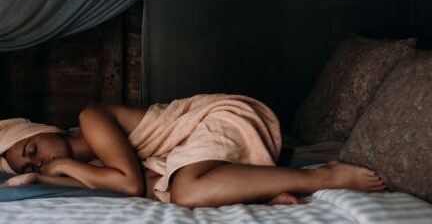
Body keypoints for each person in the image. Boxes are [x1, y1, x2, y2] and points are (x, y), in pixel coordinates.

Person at [0, 94, 386, 207]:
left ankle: (321, 176)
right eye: (32, 163)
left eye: (33, 148)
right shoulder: (98, 164)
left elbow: (129, 185)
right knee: (167, 190)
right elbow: (143, 185)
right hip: (195, 151)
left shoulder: (91, 118)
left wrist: (65, 164)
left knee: (183, 191)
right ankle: (265, 188)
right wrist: (41, 178)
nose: (41, 159)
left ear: (43, 130)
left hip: (217, 118)